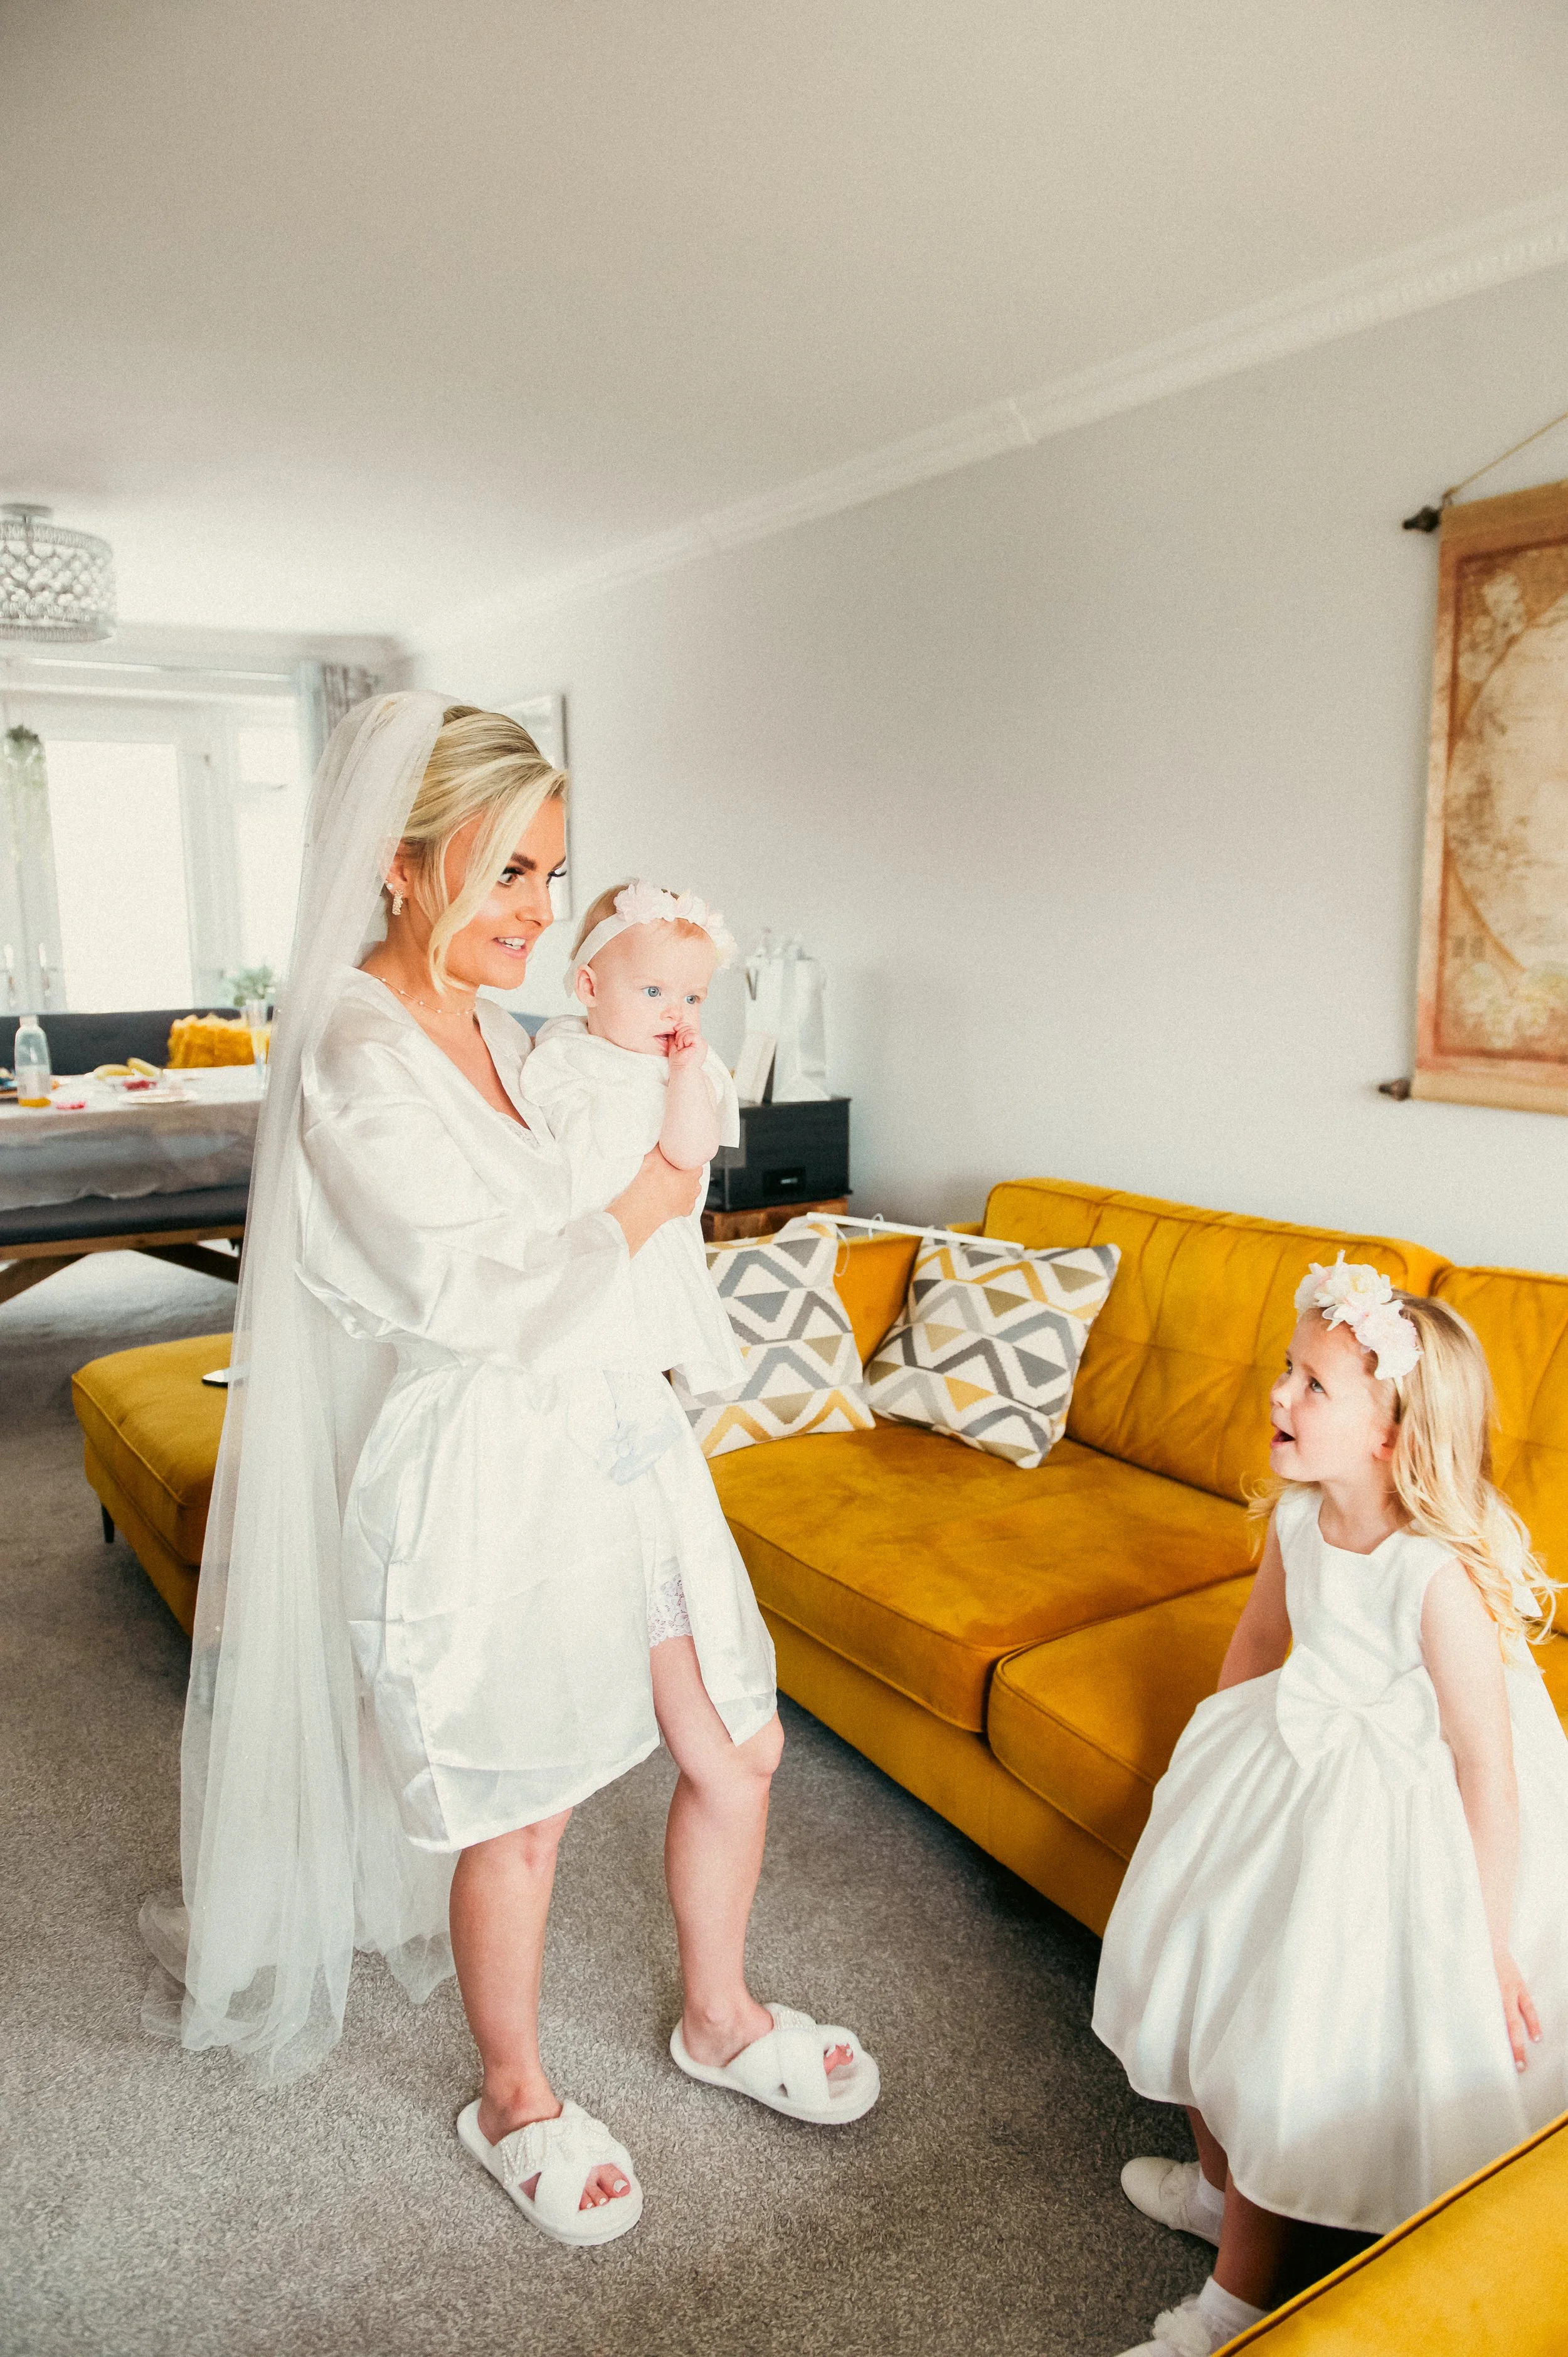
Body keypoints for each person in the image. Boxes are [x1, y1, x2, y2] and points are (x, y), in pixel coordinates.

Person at [142, 694, 878, 2252]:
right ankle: (514, 2089)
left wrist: (671, 1049)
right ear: (403, 867)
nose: (544, 913)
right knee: (518, 1804)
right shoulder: (349, 1037)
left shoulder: (504, 1021)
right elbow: (475, 1281)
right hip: (485, 1456)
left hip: (622, 1430)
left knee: (735, 1744)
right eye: (512, 874)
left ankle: (720, 2012)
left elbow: (600, 1121)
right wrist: (668, 1188)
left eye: (556, 875)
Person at [1092, 1258, 1568, 2357]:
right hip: (1290, 1753)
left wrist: (1486, 1950)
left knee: (1284, 2021)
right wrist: (1198, 1771)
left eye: (1311, 1385)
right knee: (1199, 1953)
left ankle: (1232, 2308)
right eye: (1284, 1370)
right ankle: (1219, 2188)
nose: (1278, 1396)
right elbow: (1263, 1642)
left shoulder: (1434, 1576)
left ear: (1392, 1434)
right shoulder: (1302, 1514)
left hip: (1398, 1805)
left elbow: (1485, 1768)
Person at [518, 877, 747, 1444]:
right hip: (576, 1236)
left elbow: (690, 1153)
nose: (676, 1013)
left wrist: (686, 1078)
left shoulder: (683, 1069)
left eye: (692, 998)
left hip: (649, 1243)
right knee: (570, 1369)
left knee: (636, 1361)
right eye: (653, 992)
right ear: (590, 987)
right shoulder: (561, 1051)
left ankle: (640, 1435)